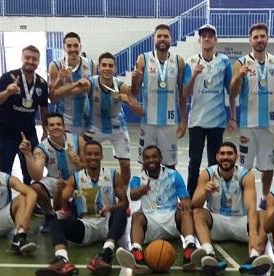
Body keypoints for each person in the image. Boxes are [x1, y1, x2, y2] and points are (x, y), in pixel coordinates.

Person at [35, 140, 128, 276]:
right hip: (86, 226)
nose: (93, 157)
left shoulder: (113, 175)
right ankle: (62, 260)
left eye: (97, 154)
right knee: (55, 222)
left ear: (102, 156)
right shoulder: (75, 178)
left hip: (108, 225)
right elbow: (58, 207)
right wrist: (59, 191)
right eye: (89, 154)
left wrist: (111, 207)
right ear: (84, 156)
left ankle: (106, 254)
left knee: (120, 212)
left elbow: (125, 202)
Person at [230, 23, 274, 210]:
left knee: (268, 166)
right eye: (255, 37)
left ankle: (265, 197)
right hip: (248, 125)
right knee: (243, 167)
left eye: (262, 36)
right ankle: (241, 199)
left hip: (270, 123)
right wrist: (238, 78)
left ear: (267, 38)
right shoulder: (241, 62)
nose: (259, 40)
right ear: (250, 40)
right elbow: (232, 93)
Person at [57, 52, 143, 185]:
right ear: (99, 68)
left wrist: (128, 102)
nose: (107, 68)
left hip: (118, 128)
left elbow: (140, 111)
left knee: (125, 165)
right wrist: (73, 84)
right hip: (94, 127)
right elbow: (61, 93)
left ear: (115, 69)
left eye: (110, 65)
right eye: (104, 65)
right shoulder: (90, 83)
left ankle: (122, 197)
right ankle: (88, 188)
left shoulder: (121, 86)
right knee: (86, 160)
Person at [191, 142, 272, 276]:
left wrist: (252, 233)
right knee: (197, 213)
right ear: (217, 157)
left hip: (240, 221)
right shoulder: (207, 174)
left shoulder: (245, 175)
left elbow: (251, 207)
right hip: (217, 222)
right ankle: (210, 255)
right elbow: (195, 203)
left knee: (263, 215)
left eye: (229, 154)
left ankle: (254, 258)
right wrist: (205, 192)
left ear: (236, 156)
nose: (225, 157)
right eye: (222, 154)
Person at [115, 145, 197, 274]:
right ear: (143, 160)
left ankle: (189, 249)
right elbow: (133, 195)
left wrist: (185, 202)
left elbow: (185, 197)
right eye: (147, 157)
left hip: (172, 222)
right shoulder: (138, 179)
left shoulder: (174, 175)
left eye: (154, 156)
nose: (150, 160)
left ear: (161, 158)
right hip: (150, 224)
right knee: (137, 216)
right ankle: (136, 252)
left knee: (185, 211)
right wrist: (141, 191)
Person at [183, 24, 236, 196]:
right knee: (194, 161)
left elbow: (231, 90)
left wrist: (233, 117)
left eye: (210, 36)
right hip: (196, 121)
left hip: (217, 121)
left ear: (215, 39)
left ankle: (214, 197)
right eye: (203, 36)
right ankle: (191, 197)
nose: (207, 38)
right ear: (199, 40)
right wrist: (194, 75)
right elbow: (185, 93)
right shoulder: (190, 62)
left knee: (215, 162)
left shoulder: (224, 61)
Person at [0, 45, 49, 185]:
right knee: (4, 171)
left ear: (38, 61)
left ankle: (31, 204)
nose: (30, 61)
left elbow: (44, 109)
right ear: (22, 58)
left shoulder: (41, 83)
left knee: (31, 172)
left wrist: (46, 130)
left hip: (28, 134)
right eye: (27, 57)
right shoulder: (8, 77)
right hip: (5, 134)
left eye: (34, 59)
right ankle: (4, 203)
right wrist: (7, 92)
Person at [131, 24, 187, 169]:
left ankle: (168, 190)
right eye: (159, 36)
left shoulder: (179, 61)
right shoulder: (143, 59)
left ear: (171, 39)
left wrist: (183, 121)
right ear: (153, 39)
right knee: (146, 162)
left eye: (166, 36)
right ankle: (146, 190)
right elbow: (134, 92)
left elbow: (182, 94)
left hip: (170, 122)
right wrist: (134, 79)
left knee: (170, 164)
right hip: (148, 121)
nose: (162, 39)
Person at [19, 113, 85, 233]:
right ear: (46, 128)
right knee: (35, 186)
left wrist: (78, 163)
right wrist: (28, 155)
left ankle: (73, 207)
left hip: (77, 180)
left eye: (59, 124)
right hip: (56, 181)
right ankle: (50, 215)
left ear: (64, 126)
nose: (56, 127)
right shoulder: (41, 148)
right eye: (52, 125)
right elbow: (37, 175)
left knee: (81, 217)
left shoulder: (77, 140)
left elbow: (90, 167)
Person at [49, 32, 96, 135]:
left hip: (85, 119)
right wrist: (61, 81)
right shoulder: (55, 65)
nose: (73, 49)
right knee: (68, 150)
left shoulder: (90, 64)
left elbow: (91, 91)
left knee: (83, 150)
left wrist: (62, 90)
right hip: (64, 119)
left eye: (76, 45)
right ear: (64, 48)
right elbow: (52, 98)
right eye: (69, 46)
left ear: (80, 46)